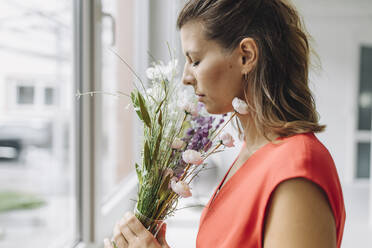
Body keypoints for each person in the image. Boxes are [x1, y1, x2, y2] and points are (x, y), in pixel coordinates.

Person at [105, 0, 346, 247]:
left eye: (195, 60)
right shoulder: (251, 153)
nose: (187, 78)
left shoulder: (297, 169)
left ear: (246, 56)